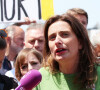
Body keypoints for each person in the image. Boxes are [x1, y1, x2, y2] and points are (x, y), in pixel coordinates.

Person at [33, 14, 96, 90]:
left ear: (80, 42)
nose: (57, 41)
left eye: (65, 34)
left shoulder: (97, 74)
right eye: (52, 37)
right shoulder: (40, 77)